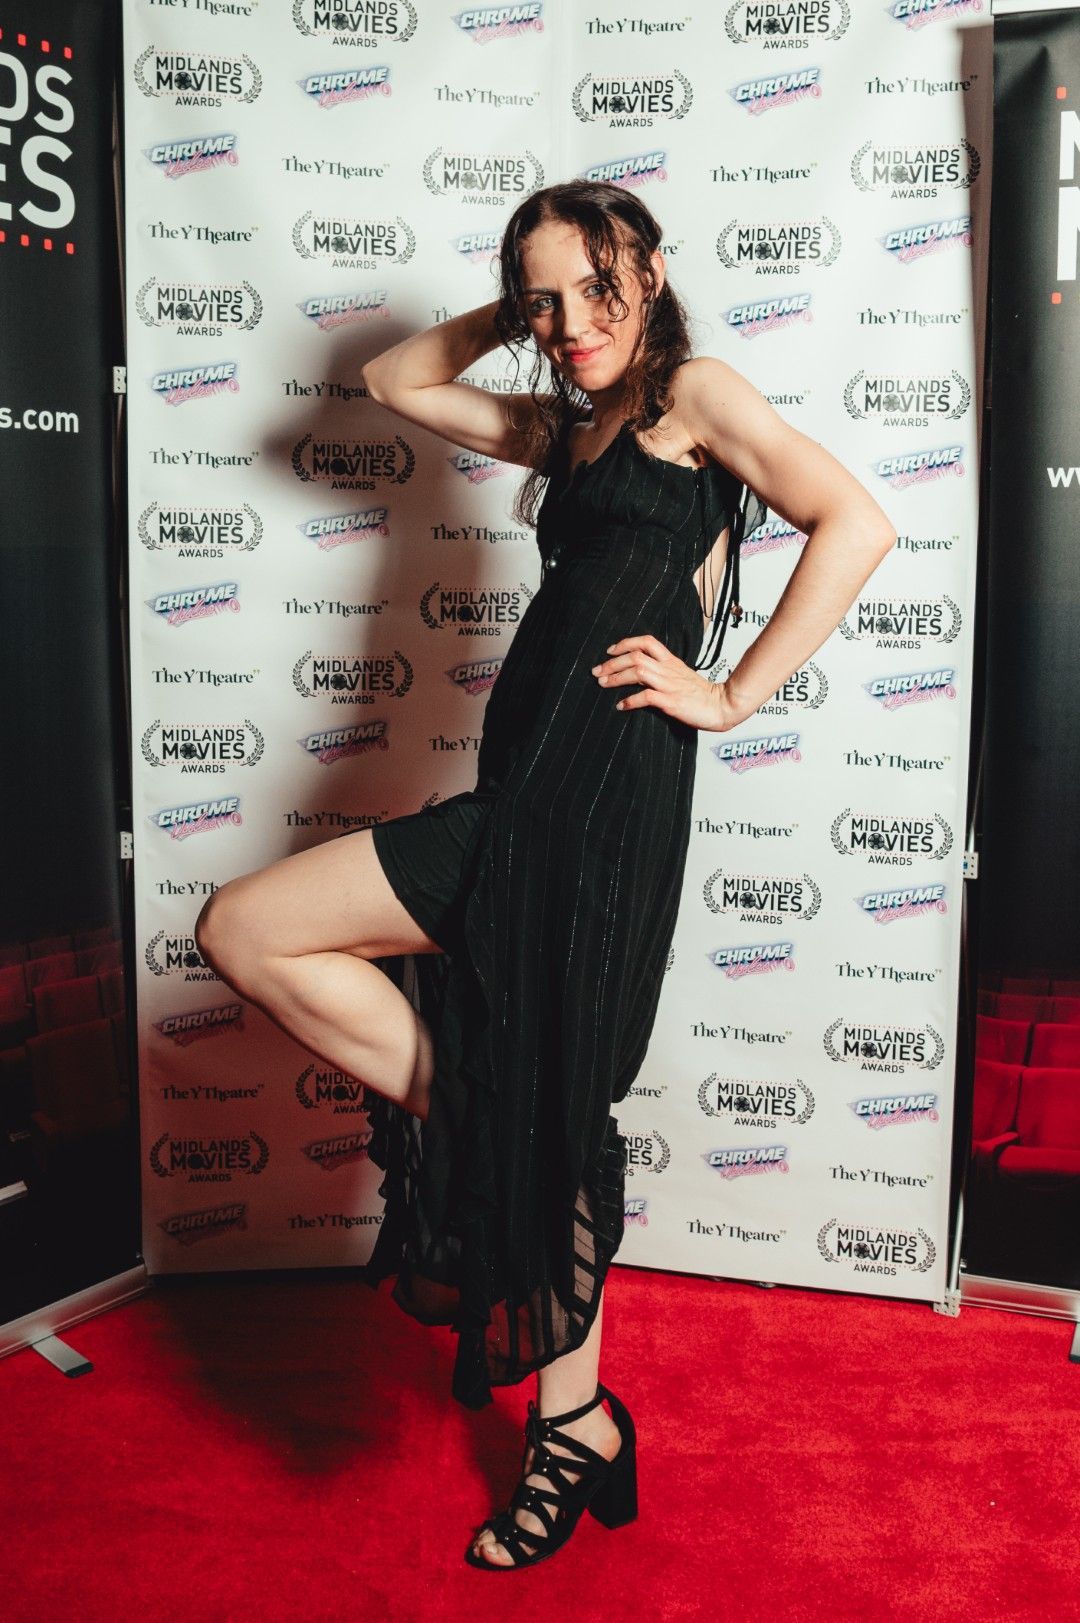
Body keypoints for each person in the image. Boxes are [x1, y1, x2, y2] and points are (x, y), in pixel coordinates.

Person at [194, 179, 897, 1570]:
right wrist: (518, 315)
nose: (573, 321)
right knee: (252, 932)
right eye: (545, 300)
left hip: (605, 815)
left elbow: (856, 522)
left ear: (652, 274)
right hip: (516, 798)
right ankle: (564, 1362)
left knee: (552, 1100)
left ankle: (571, 1428)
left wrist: (733, 695)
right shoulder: (565, 428)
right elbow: (397, 379)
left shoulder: (695, 393)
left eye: (598, 288)